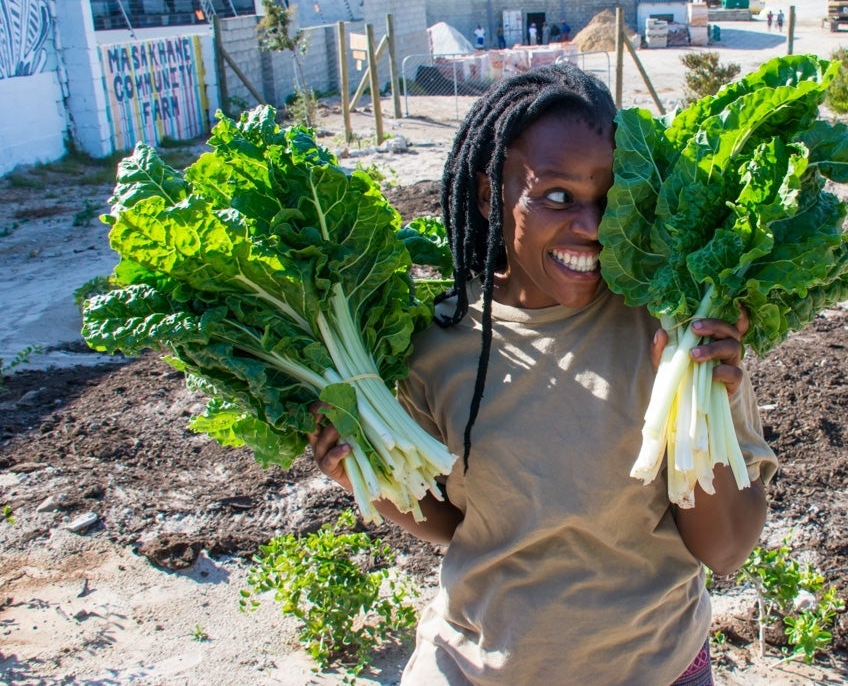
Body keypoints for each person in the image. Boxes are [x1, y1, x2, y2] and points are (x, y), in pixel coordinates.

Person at [311, 63, 778, 684]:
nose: (589, 226)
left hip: (653, 669)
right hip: (472, 667)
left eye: (607, 199)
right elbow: (461, 526)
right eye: (556, 196)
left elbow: (725, 551)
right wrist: (363, 479)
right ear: (488, 195)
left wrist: (707, 386)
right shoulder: (435, 344)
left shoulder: (674, 331)